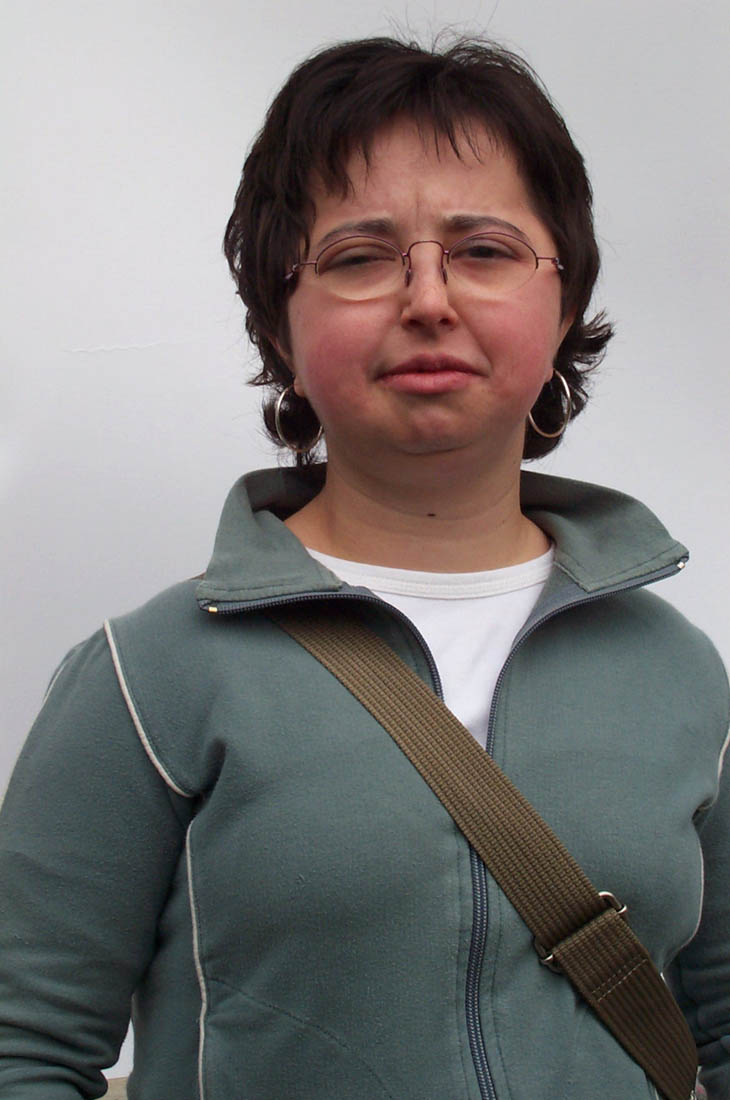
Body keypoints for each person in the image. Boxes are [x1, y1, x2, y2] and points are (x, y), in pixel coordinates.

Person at [0, 36, 728, 1100]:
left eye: (484, 250)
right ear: (279, 323)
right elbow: (23, 1045)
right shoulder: (145, 678)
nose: (428, 299)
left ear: (562, 304)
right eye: (358, 258)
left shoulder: (679, 675)